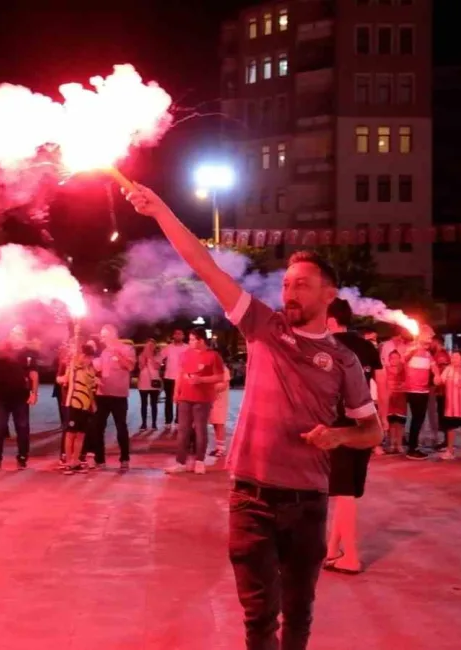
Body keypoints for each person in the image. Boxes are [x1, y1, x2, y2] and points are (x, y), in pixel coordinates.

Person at [126, 184, 380, 650]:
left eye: (301, 284)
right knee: (259, 617)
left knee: (298, 612)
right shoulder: (264, 325)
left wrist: (340, 436)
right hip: (251, 499)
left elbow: (372, 430)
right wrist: (160, 209)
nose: (289, 291)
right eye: (285, 283)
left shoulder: (345, 361)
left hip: (308, 503)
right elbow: (203, 264)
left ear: (330, 295)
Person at [323, 298, 387, 576]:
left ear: (330, 320)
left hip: (339, 426)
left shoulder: (326, 346)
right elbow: (382, 386)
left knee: (343, 491)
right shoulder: (368, 347)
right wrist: (381, 422)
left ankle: (350, 556)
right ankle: (332, 550)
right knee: (345, 491)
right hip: (366, 424)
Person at [166, 328, 225, 475]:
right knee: (183, 431)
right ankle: (180, 462)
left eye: (193, 339)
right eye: (190, 339)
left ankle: (199, 461)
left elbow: (219, 377)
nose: (190, 342)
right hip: (185, 397)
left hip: (203, 399)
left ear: (201, 340)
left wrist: (201, 380)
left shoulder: (213, 356)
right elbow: (180, 374)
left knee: (200, 430)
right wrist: (175, 393)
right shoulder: (185, 355)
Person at [87, 324, 136, 471]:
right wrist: (88, 357)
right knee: (98, 427)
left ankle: (124, 459)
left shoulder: (127, 349)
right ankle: (100, 459)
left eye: (104, 335)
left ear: (113, 335)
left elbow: (130, 366)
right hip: (103, 394)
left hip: (119, 395)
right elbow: (97, 368)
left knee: (121, 427)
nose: (101, 338)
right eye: (101, 335)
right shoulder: (103, 352)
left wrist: (118, 354)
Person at [0, 326, 39, 471]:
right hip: (1, 396)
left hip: (20, 397)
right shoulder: (1, 349)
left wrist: (34, 392)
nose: (14, 336)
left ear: (23, 336)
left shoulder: (29, 353)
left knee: (22, 428)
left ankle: (22, 457)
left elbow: (33, 374)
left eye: (18, 333)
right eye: (12, 333)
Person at [61, 342, 98, 475]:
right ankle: (68, 462)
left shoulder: (91, 371)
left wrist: (93, 404)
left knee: (81, 435)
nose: (89, 360)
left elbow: (91, 389)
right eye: (87, 356)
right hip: (73, 404)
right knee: (71, 434)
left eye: (91, 357)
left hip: (85, 405)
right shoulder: (74, 366)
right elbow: (71, 366)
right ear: (82, 355)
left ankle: (76, 461)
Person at [402, 330, 434, 459]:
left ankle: (414, 446)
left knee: (419, 419)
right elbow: (404, 359)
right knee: (417, 418)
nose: (431, 339)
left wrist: (437, 375)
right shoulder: (412, 347)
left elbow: (434, 366)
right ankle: (412, 448)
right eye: (429, 336)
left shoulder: (427, 353)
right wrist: (414, 349)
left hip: (424, 390)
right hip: (413, 390)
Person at [160, 329, 188, 435]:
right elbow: (160, 357)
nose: (178, 335)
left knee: (180, 401)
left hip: (182, 378)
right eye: (176, 334)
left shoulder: (187, 348)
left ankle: (178, 421)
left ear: (183, 336)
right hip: (169, 377)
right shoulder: (168, 348)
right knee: (168, 400)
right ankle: (168, 421)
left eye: (180, 334)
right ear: (173, 336)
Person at [384, 349, 407, 454]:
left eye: (396, 358)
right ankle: (392, 444)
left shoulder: (404, 369)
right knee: (391, 422)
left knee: (400, 423)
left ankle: (400, 444)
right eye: (392, 358)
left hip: (401, 398)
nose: (394, 360)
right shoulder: (385, 369)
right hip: (389, 399)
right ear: (389, 359)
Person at [137, 339, 161, 432]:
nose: (150, 347)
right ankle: (144, 423)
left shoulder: (158, 355)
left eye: (152, 345)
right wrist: (145, 357)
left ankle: (154, 423)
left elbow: (157, 366)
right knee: (144, 404)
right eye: (148, 345)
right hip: (143, 382)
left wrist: (151, 357)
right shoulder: (141, 355)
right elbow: (141, 367)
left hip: (154, 382)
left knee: (154, 404)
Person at [209, 364, 231, 458]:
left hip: (219, 400)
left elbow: (224, 385)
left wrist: (211, 388)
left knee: (219, 423)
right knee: (214, 423)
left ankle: (221, 448)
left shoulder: (223, 368)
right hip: (210, 399)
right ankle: (218, 447)